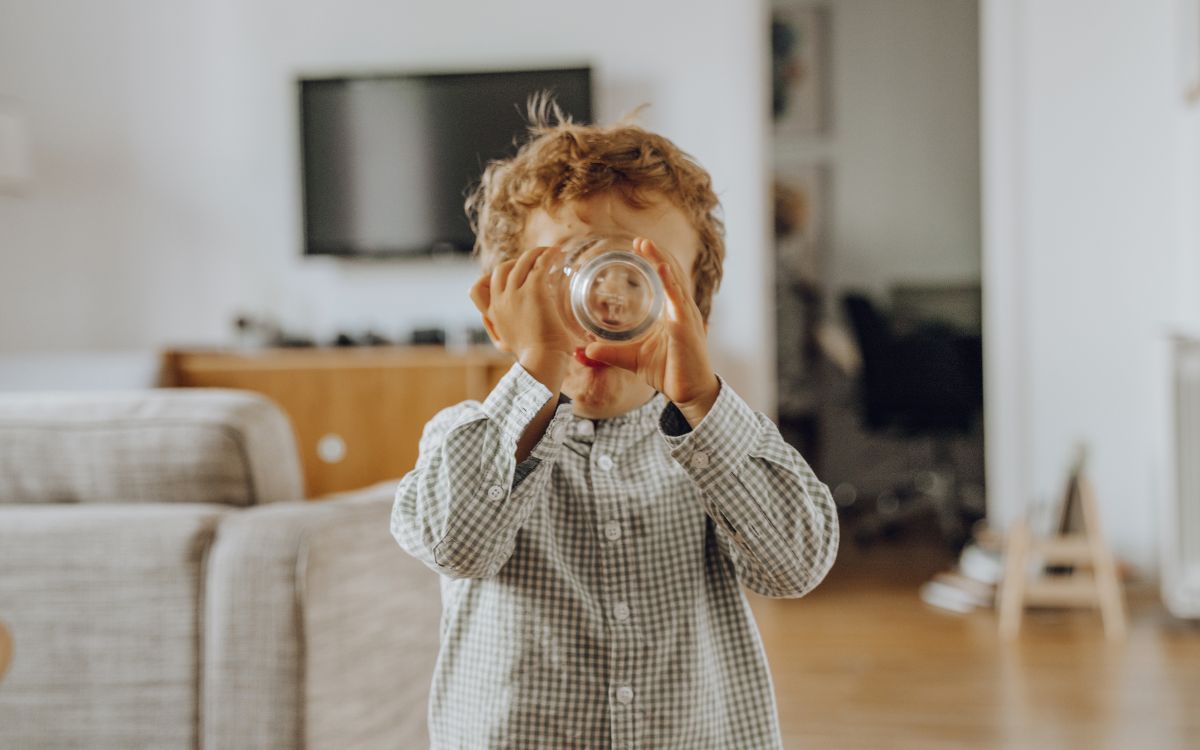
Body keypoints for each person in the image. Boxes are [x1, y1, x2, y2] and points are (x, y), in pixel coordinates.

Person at [391, 98, 839, 749]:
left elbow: (795, 566)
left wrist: (702, 399)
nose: (604, 296)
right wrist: (539, 366)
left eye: (643, 276)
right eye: (566, 270)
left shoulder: (721, 446)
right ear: (502, 308)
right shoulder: (468, 438)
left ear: (695, 313)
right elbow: (456, 543)